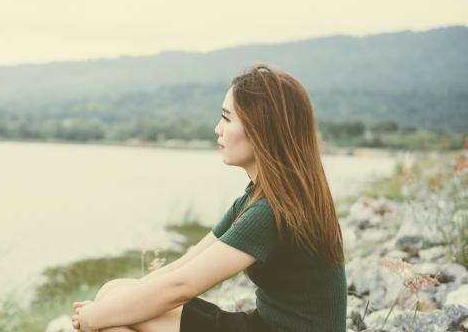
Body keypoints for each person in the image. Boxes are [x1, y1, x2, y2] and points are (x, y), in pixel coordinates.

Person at [72, 64, 347, 332]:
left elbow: (180, 288)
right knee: (113, 291)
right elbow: (184, 266)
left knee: (113, 323)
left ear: (261, 128)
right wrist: (105, 309)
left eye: (227, 118)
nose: (218, 128)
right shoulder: (261, 196)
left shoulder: (273, 211)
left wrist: (96, 318)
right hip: (263, 325)